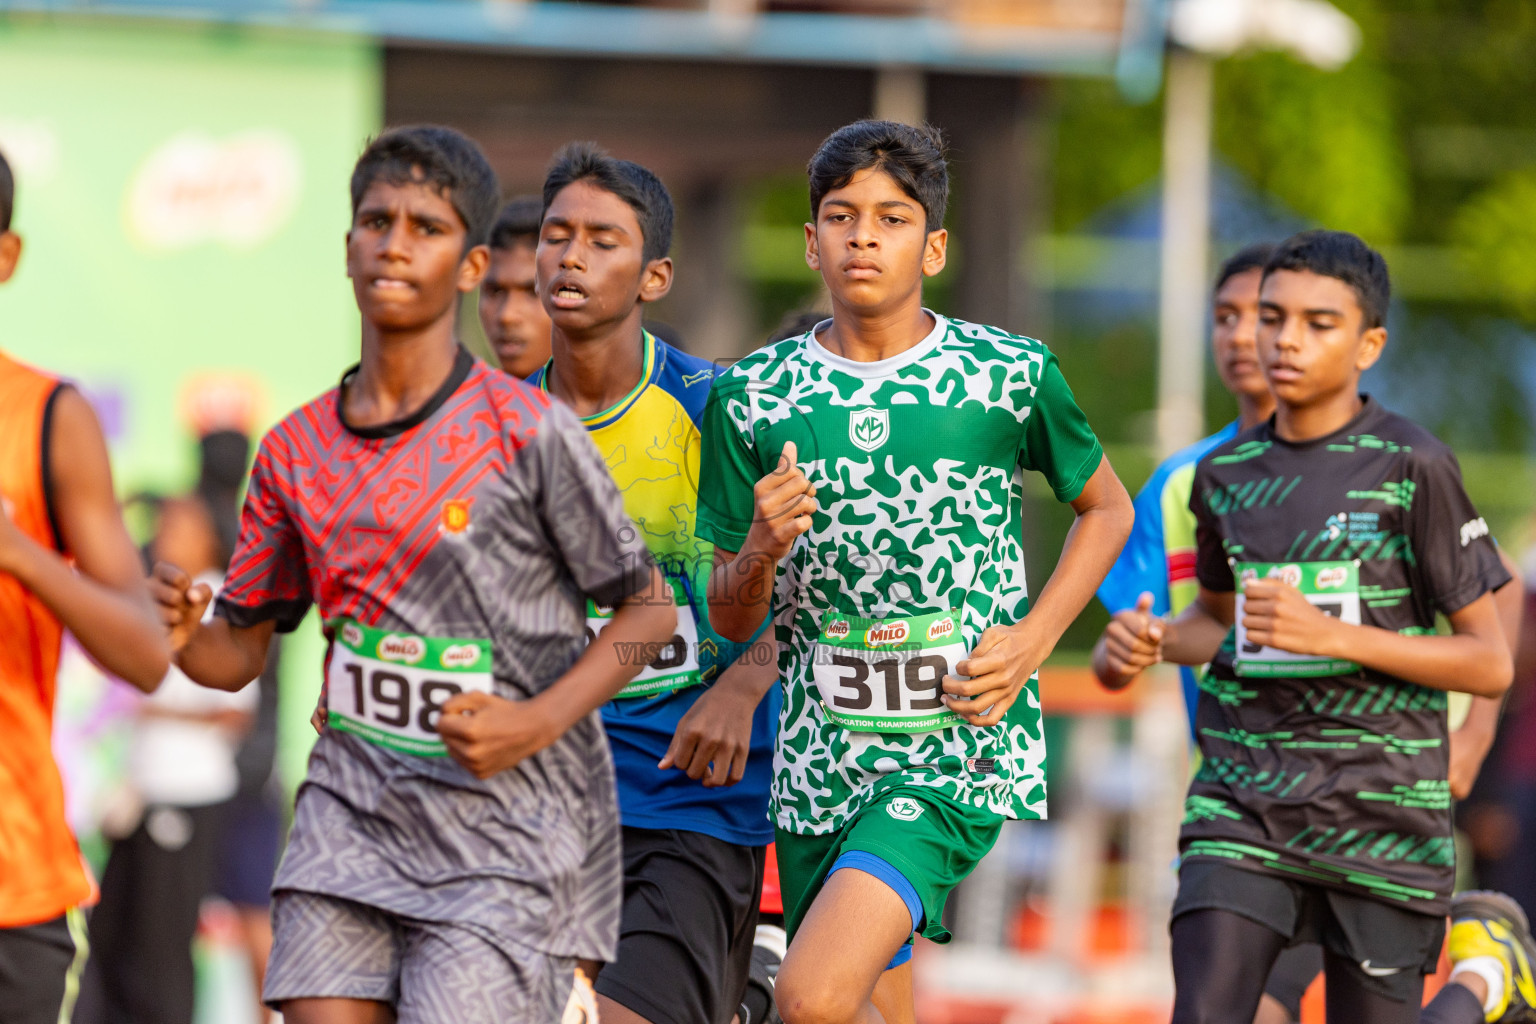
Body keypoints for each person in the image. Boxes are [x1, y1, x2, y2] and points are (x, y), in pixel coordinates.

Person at [152, 125, 676, 1024]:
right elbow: (236, 650)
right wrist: (181, 635)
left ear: (470, 265)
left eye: (425, 227)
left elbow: (649, 614)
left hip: (503, 840)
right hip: (347, 820)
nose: (395, 242)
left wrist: (531, 721)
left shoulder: (527, 433)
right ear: (347, 245)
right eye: (376, 220)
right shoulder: (294, 449)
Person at [697, 120, 1135, 1024]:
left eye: (891, 218)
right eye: (841, 215)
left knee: (810, 996)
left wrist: (1031, 641)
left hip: (953, 747)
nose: (863, 235)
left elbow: (1109, 509)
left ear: (932, 246)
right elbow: (732, 619)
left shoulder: (1007, 376)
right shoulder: (750, 394)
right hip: (819, 755)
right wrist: (759, 552)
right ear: (809, 240)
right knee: (871, 1009)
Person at [1098, 229, 1533, 1024]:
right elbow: (1217, 627)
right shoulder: (1219, 479)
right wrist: (1147, 641)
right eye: (1271, 317)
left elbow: (1490, 662)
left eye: (1318, 323)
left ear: (1370, 344)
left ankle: (1482, 981)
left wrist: (1337, 639)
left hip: (1383, 818)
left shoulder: (1414, 468)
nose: (1282, 340)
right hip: (1243, 808)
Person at [528, 141, 780, 1024]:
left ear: (655, 277)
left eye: (603, 240)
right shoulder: (494, 428)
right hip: (540, 807)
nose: (572, 256)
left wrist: (747, 682)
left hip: (690, 799)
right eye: (557, 235)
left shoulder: (718, 410)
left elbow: (814, 583)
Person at [0, 146, 171, 1024]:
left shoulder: (47, 421)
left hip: (13, 886)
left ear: (7, 258)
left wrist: (22, 553)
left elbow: (146, 655)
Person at [74, 495, 257, 1024]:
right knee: (112, 938)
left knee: (162, 945)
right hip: (138, 793)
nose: (168, 531)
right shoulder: (150, 596)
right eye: (166, 522)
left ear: (209, 537)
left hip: (186, 792)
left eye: (182, 523)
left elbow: (234, 713)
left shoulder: (221, 598)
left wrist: (148, 712)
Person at [480, 194, 554, 378]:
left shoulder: (628, 403)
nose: (507, 316)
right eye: (494, 292)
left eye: (533, 292)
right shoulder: (460, 404)